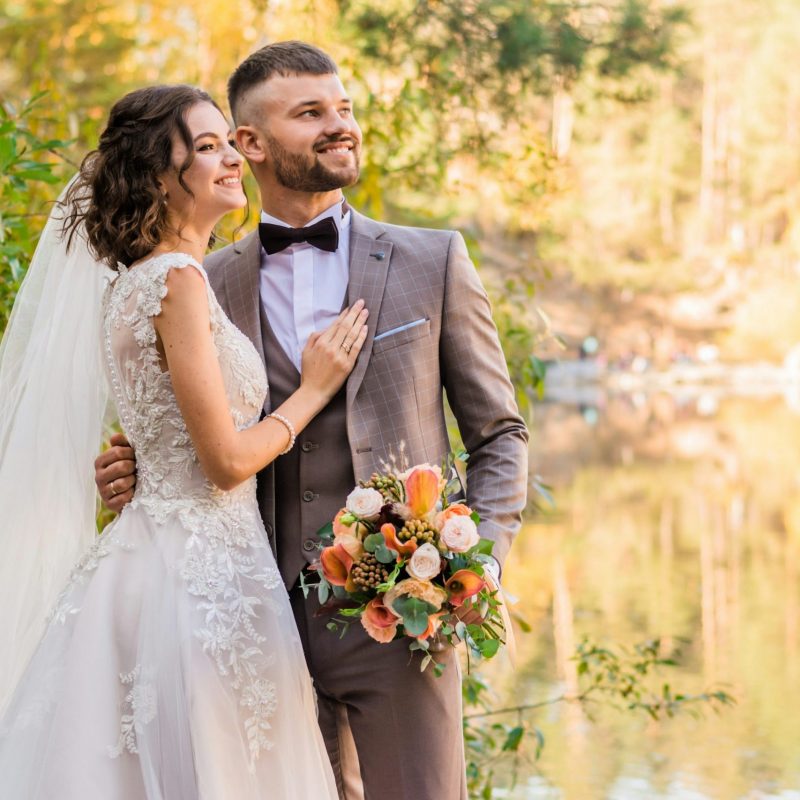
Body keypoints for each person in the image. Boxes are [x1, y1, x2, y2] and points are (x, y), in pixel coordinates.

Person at [98, 41, 530, 800]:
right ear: (250, 144)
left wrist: (475, 565)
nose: (340, 126)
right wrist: (132, 465)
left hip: (399, 620)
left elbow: (499, 435)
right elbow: (189, 425)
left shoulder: (434, 261)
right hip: (246, 618)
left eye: (344, 109)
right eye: (311, 114)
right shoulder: (200, 275)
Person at [0, 84, 372, 798]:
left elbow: (160, 429)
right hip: (200, 578)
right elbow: (225, 463)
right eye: (207, 148)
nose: (232, 159)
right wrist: (314, 390)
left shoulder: (135, 283)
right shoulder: (177, 283)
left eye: (228, 143)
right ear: (158, 177)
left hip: (159, 558)